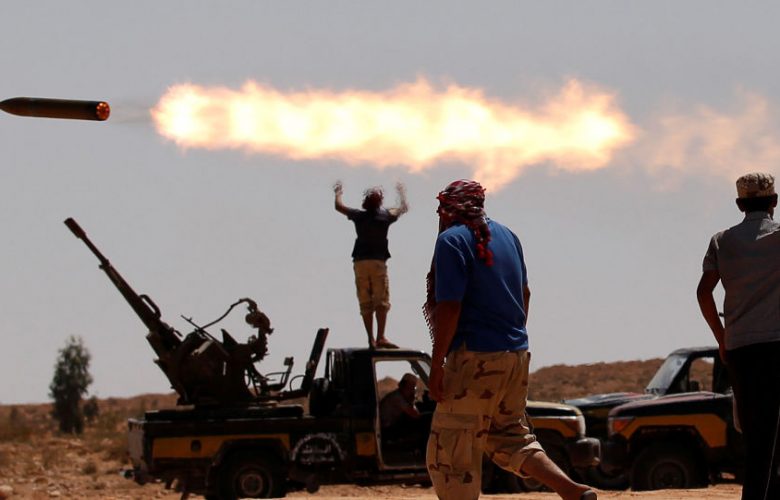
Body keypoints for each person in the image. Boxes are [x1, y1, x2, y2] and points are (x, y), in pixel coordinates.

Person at [423, 179, 596, 500]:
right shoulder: (508, 236)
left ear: (448, 209)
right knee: (509, 436)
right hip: (515, 354)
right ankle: (570, 490)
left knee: (451, 452)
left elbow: (450, 306)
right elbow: (525, 293)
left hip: (473, 357)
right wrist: (508, 340)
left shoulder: (451, 241)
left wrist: (437, 365)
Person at [697, 172, 780, 500]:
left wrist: (722, 338)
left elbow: (704, 292)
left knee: (756, 432)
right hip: (776, 345)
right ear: (774, 202)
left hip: (741, 348)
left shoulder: (722, 241)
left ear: (739, 204)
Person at [334, 181, 408, 349]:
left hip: (360, 263)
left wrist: (338, 193)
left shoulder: (359, 216)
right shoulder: (385, 216)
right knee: (381, 301)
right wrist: (401, 193)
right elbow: (402, 208)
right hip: (377, 263)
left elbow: (339, 207)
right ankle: (380, 337)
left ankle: (371, 339)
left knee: (365, 302)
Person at [379, 373, 421, 441]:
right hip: (386, 430)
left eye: (413, 388)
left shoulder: (399, 396)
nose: (412, 391)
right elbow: (414, 414)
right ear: (403, 386)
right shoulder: (397, 397)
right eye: (410, 388)